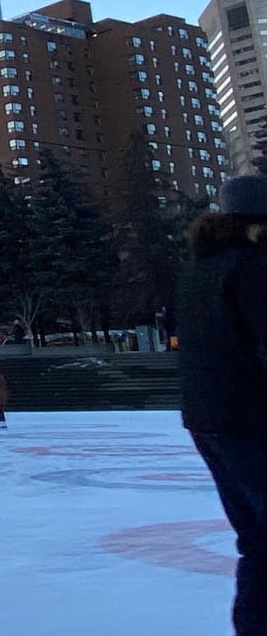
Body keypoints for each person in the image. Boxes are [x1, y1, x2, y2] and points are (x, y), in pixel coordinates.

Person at [179, 174, 267, 636]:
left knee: (256, 541)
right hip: (250, 421)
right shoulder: (253, 267)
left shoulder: (198, 269)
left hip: (208, 421)